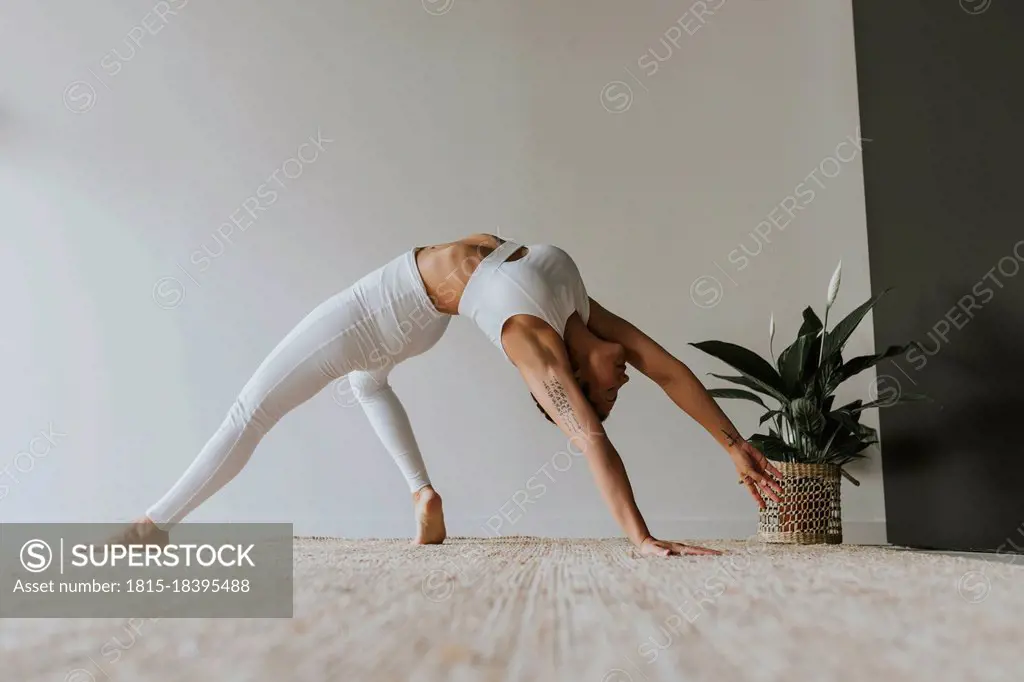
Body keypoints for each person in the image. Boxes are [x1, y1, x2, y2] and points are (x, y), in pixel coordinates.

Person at [117, 234, 782, 555]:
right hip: (404, 323)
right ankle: (422, 492)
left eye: (609, 395)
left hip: (389, 314)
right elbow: (647, 388)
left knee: (255, 409)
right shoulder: (572, 319)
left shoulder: (544, 338)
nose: (624, 384)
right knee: (360, 384)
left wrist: (648, 528)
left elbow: (611, 421)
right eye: (611, 392)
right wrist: (725, 452)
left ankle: (153, 526)